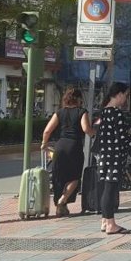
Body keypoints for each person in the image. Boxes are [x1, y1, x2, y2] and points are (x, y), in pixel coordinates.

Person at [40, 87, 93, 217]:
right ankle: (62, 200)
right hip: (74, 147)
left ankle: (61, 208)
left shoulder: (59, 112)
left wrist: (44, 144)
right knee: (75, 177)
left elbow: (47, 131)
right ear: (79, 99)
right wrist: (95, 133)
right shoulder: (82, 112)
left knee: (59, 177)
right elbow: (86, 129)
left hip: (60, 146)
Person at [92, 83, 131, 234]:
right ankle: (111, 223)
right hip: (115, 156)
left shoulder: (103, 112)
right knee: (110, 189)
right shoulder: (116, 113)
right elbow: (122, 138)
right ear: (119, 94)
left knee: (105, 187)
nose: (125, 99)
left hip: (104, 155)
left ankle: (105, 221)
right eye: (125, 95)